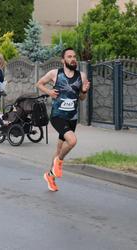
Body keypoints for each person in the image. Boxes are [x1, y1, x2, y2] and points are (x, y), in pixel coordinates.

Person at [36, 47, 90, 192]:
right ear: (63, 60)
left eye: (74, 56)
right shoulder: (55, 73)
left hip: (72, 117)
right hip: (57, 116)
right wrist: (49, 92)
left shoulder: (82, 76)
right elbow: (39, 83)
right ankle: (58, 163)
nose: (73, 59)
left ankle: (50, 176)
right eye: (69, 56)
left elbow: (82, 98)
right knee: (72, 141)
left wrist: (84, 91)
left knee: (60, 148)